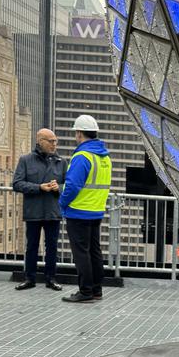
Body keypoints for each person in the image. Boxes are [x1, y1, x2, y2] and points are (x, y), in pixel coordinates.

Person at [59, 115, 112, 304]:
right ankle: (96, 290)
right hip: (96, 211)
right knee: (94, 252)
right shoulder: (104, 157)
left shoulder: (82, 156)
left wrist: (62, 203)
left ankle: (85, 291)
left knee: (81, 253)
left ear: (79, 133)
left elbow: (72, 186)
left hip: (78, 211)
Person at [12, 128, 67, 291]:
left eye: (55, 141)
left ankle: (51, 279)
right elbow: (17, 183)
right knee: (31, 246)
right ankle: (29, 278)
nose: (54, 144)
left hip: (53, 212)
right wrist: (39, 187)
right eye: (50, 141)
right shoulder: (25, 160)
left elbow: (68, 185)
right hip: (33, 211)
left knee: (52, 246)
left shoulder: (61, 162)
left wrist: (59, 187)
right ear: (40, 141)